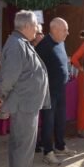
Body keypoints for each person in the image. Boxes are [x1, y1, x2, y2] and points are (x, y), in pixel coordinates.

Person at [0, 10, 50, 167]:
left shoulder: (21, 43)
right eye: (36, 25)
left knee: (21, 144)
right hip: (23, 105)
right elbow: (8, 78)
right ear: (26, 26)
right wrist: (1, 96)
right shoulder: (16, 45)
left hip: (27, 104)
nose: (38, 29)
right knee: (23, 145)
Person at [36, 18, 76, 166]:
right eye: (65, 30)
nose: (68, 33)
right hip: (48, 91)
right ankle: (48, 152)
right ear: (54, 30)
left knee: (60, 118)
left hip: (61, 88)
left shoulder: (61, 42)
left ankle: (60, 146)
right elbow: (36, 70)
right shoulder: (43, 46)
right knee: (48, 121)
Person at [32, 24, 45, 153]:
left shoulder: (44, 49)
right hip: (32, 90)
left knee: (39, 118)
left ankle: (38, 140)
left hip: (40, 89)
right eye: (39, 33)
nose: (42, 35)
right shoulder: (30, 49)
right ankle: (34, 143)